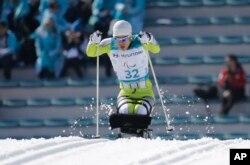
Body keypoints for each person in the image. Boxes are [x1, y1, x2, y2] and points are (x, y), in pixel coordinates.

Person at [86, 20, 160, 117]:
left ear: (130, 36)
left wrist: (150, 39)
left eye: (124, 39)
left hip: (145, 92)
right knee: (125, 111)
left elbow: (156, 49)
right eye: (117, 39)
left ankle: (141, 130)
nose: (121, 43)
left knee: (140, 111)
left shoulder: (140, 41)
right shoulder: (109, 45)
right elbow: (91, 53)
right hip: (126, 93)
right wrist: (92, 41)